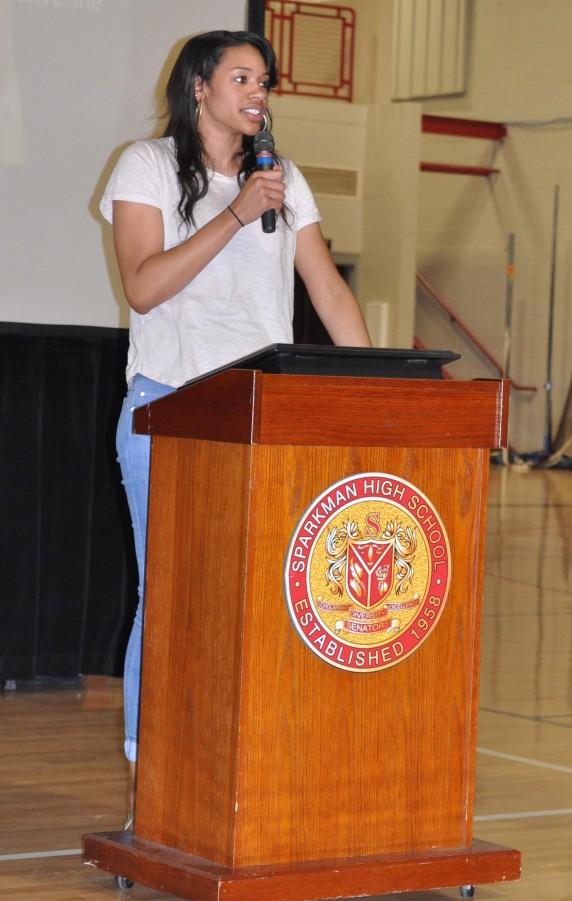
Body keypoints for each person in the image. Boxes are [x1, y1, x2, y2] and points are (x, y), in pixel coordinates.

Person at [100, 30, 371, 824]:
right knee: (174, 599)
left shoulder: (285, 183)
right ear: (199, 88)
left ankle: (245, 776)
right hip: (171, 410)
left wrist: (375, 388)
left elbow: (328, 293)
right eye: (242, 77)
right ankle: (149, 781)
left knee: (264, 603)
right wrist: (235, 214)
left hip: (265, 418)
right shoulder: (145, 166)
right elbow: (145, 286)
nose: (259, 92)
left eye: (265, 80)